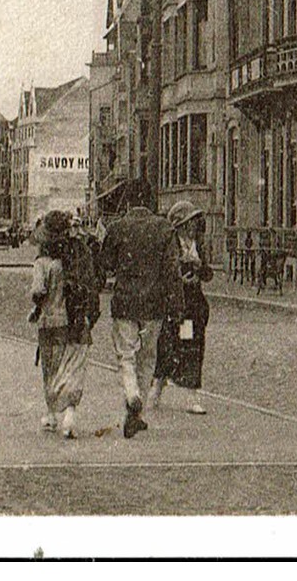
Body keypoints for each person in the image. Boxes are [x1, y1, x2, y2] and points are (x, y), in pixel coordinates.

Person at [99, 185, 183, 437]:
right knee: (148, 358)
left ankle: (131, 392)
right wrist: (176, 305)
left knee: (126, 355)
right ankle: (136, 412)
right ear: (151, 201)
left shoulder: (117, 228)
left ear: (127, 203)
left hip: (125, 302)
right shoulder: (164, 229)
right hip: (154, 304)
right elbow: (172, 271)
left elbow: (106, 265)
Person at [30, 211, 98, 439]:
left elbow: (38, 291)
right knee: (73, 370)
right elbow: (92, 285)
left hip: (51, 322)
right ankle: (70, 415)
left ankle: (50, 414)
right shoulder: (78, 258)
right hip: (78, 322)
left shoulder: (42, 262)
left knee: (50, 369)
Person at [152, 202, 212, 417]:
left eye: (194, 222)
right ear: (179, 225)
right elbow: (161, 274)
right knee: (168, 346)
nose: (192, 227)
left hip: (192, 307)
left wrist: (199, 267)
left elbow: (208, 274)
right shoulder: (170, 246)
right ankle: (157, 387)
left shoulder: (199, 244)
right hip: (175, 305)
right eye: (188, 223)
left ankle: (192, 396)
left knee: (191, 346)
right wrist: (178, 276)